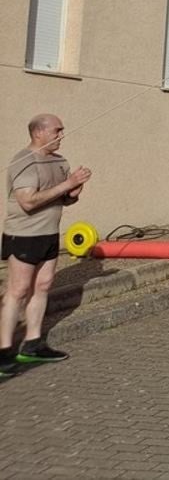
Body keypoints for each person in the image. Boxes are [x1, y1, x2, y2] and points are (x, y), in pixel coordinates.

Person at [0, 114, 91, 374]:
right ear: (39, 132)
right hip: (24, 235)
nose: (61, 135)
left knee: (43, 286)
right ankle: (4, 351)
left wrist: (75, 190)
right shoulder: (24, 161)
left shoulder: (59, 161)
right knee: (16, 291)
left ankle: (33, 343)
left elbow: (63, 199)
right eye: (57, 130)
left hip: (49, 234)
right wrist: (67, 183)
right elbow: (27, 201)